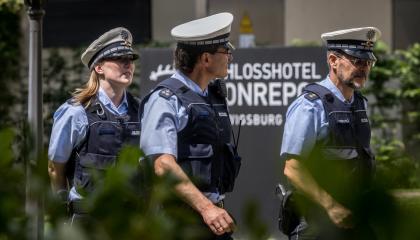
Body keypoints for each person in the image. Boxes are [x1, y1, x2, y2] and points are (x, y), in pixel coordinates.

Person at [140, 12, 241, 239]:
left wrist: (211, 210)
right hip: (178, 223)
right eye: (225, 51)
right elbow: (162, 165)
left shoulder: (212, 96)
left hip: (212, 218)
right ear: (205, 59)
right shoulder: (166, 99)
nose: (230, 57)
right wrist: (207, 209)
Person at [279, 27, 381, 240]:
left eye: (368, 63)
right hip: (318, 222)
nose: (364, 68)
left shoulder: (359, 104)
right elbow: (293, 168)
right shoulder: (310, 106)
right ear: (333, 60)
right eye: (357, 61)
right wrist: (331, 206)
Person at [47, 27, 140, 224]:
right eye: (120, 59)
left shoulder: (140, 110)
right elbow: (56, 168)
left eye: (130, 59)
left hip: (130, 222)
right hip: (88, 220)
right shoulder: (76, 111)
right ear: (99, 68)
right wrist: (61, 209)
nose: (128, 64)